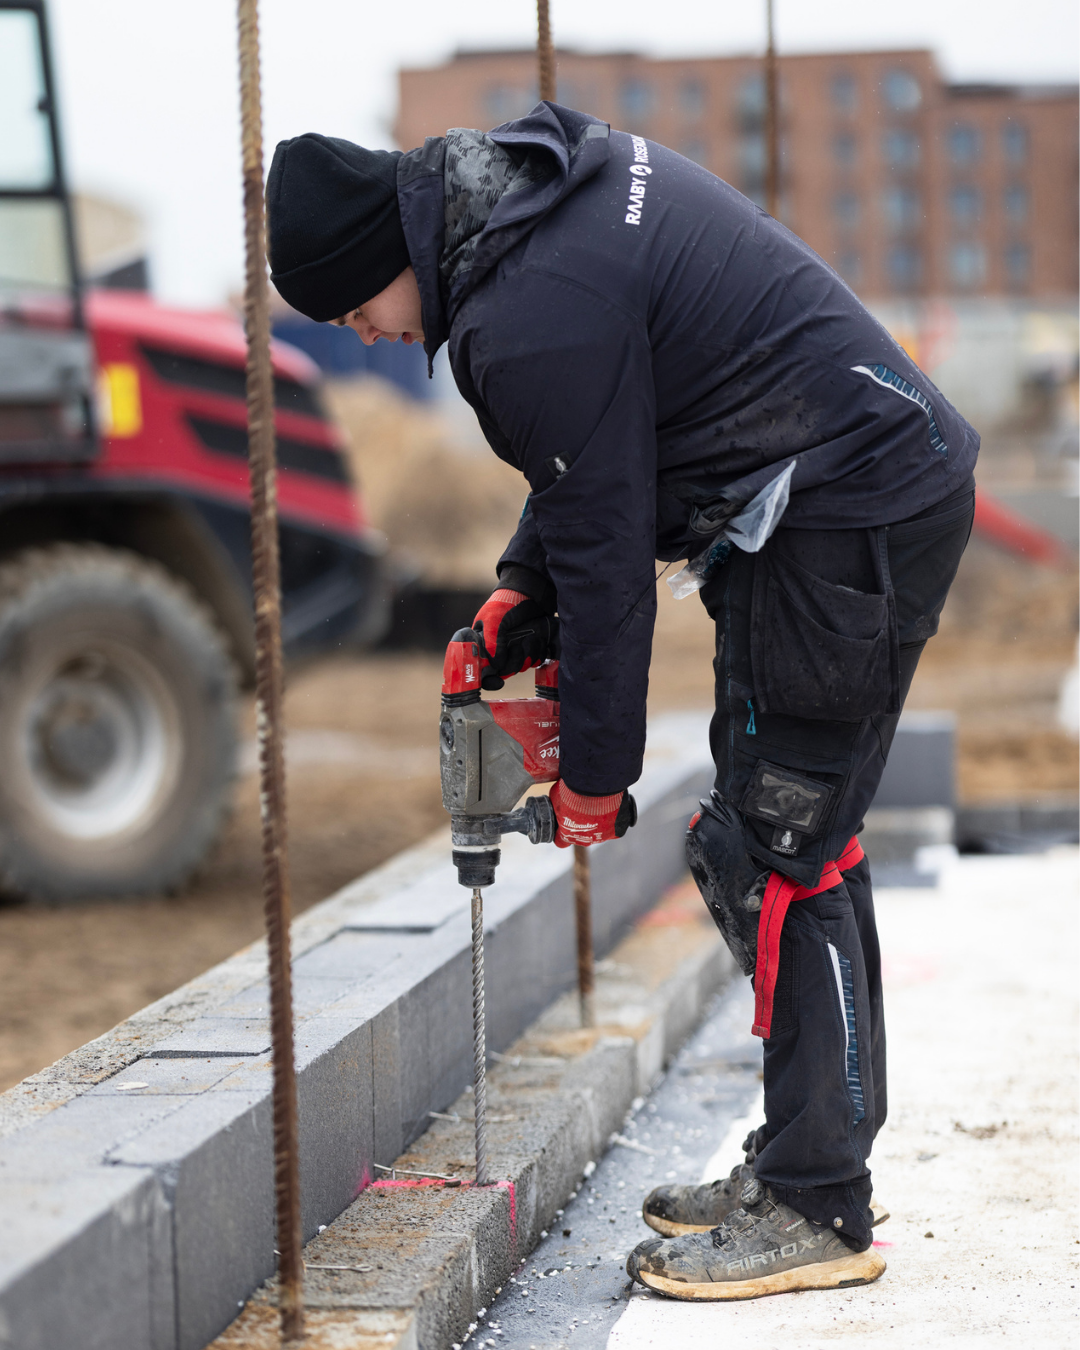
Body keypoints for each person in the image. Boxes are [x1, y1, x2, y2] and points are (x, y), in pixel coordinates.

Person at [266, 102, 977, 1301]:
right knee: (798, 839)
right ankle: (810, 1164)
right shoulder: (527, 211)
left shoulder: (521, 310)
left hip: (852, 513)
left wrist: (594, 776)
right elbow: (595, 453)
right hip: (823, 503)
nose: (369, 337)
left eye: (354, 311)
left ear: (386, 259)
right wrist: (515, 593)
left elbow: (609, 562)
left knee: (774, 853)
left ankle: (820, 1206)